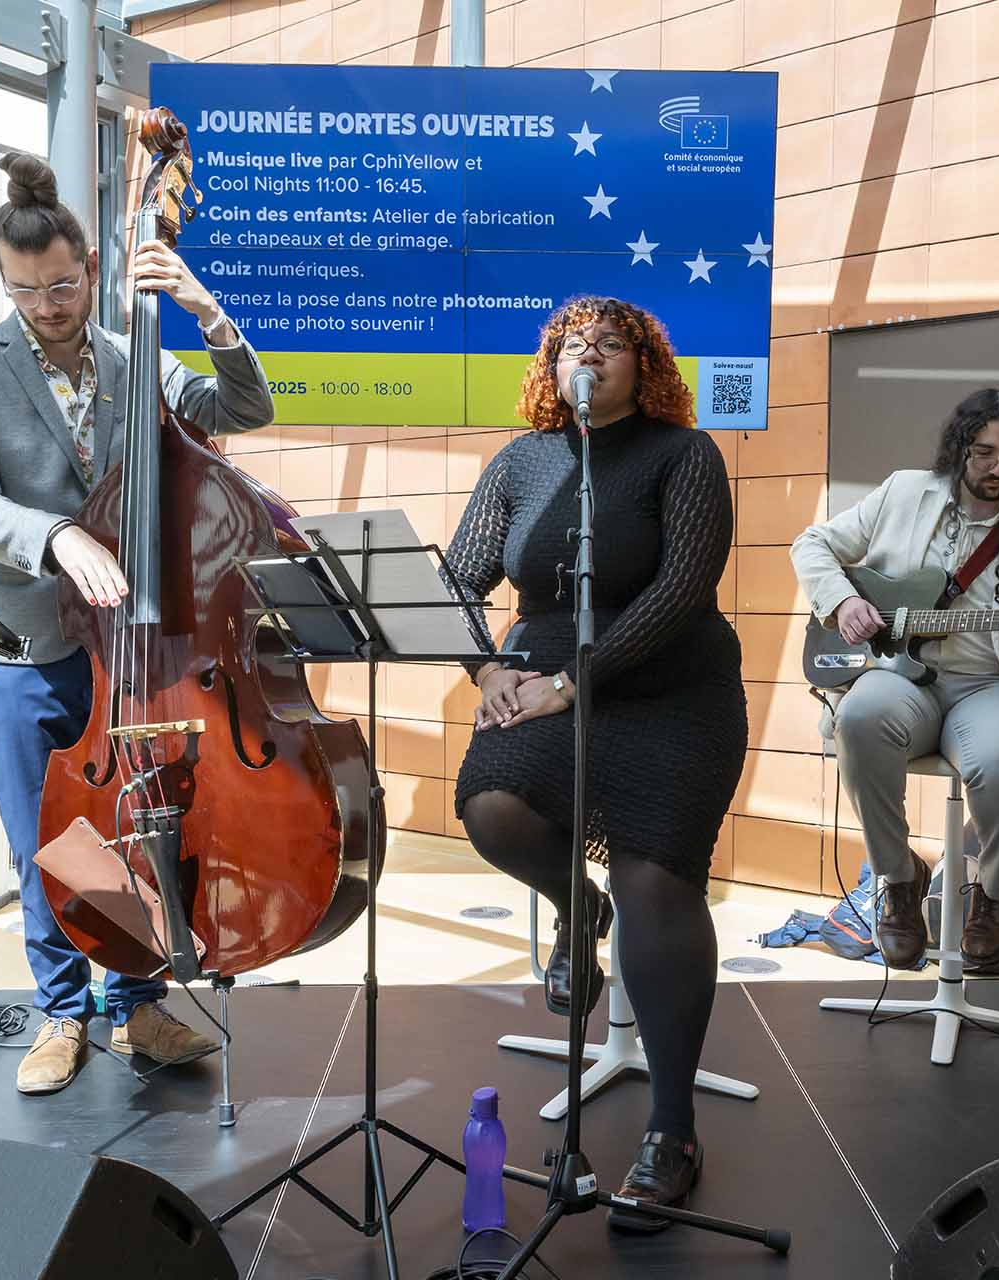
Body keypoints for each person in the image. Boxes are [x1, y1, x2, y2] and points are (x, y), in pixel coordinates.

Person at [0, 152, 275, 1095]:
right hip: (28, 643)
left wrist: (206, 311)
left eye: (62, 285)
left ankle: (139, 1005)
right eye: (25, 289)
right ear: (4, 281)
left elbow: (244, 408)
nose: (46, 305)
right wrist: (55, 536)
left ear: (91, 268)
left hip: (137, 647)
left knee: (137, 821)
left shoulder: (138, 356)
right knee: (44, 835)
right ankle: (61, 1011)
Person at [442, 297, 745, 1232]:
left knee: (657, 882)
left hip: (670, 689)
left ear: (643, 365)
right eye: (575, 344)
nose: (592, 354)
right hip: (540, 678)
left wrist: (574, 681)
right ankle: (580, 906)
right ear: (553, 366)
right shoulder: (522, 461)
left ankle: (671, 1132)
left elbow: (683, 589)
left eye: (613, 344)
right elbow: (459, 581)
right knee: (493, 806)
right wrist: (487, 668)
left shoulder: (684, 455)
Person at [790, 389, 999, 970]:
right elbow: (813, 544)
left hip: (996, 686)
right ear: (959, 447)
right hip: (902, 677)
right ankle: (899, 880)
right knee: (859, 716)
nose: (998, 467)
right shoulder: (903, 492)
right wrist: (844, 601)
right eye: (984, 452)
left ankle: (992, 897)